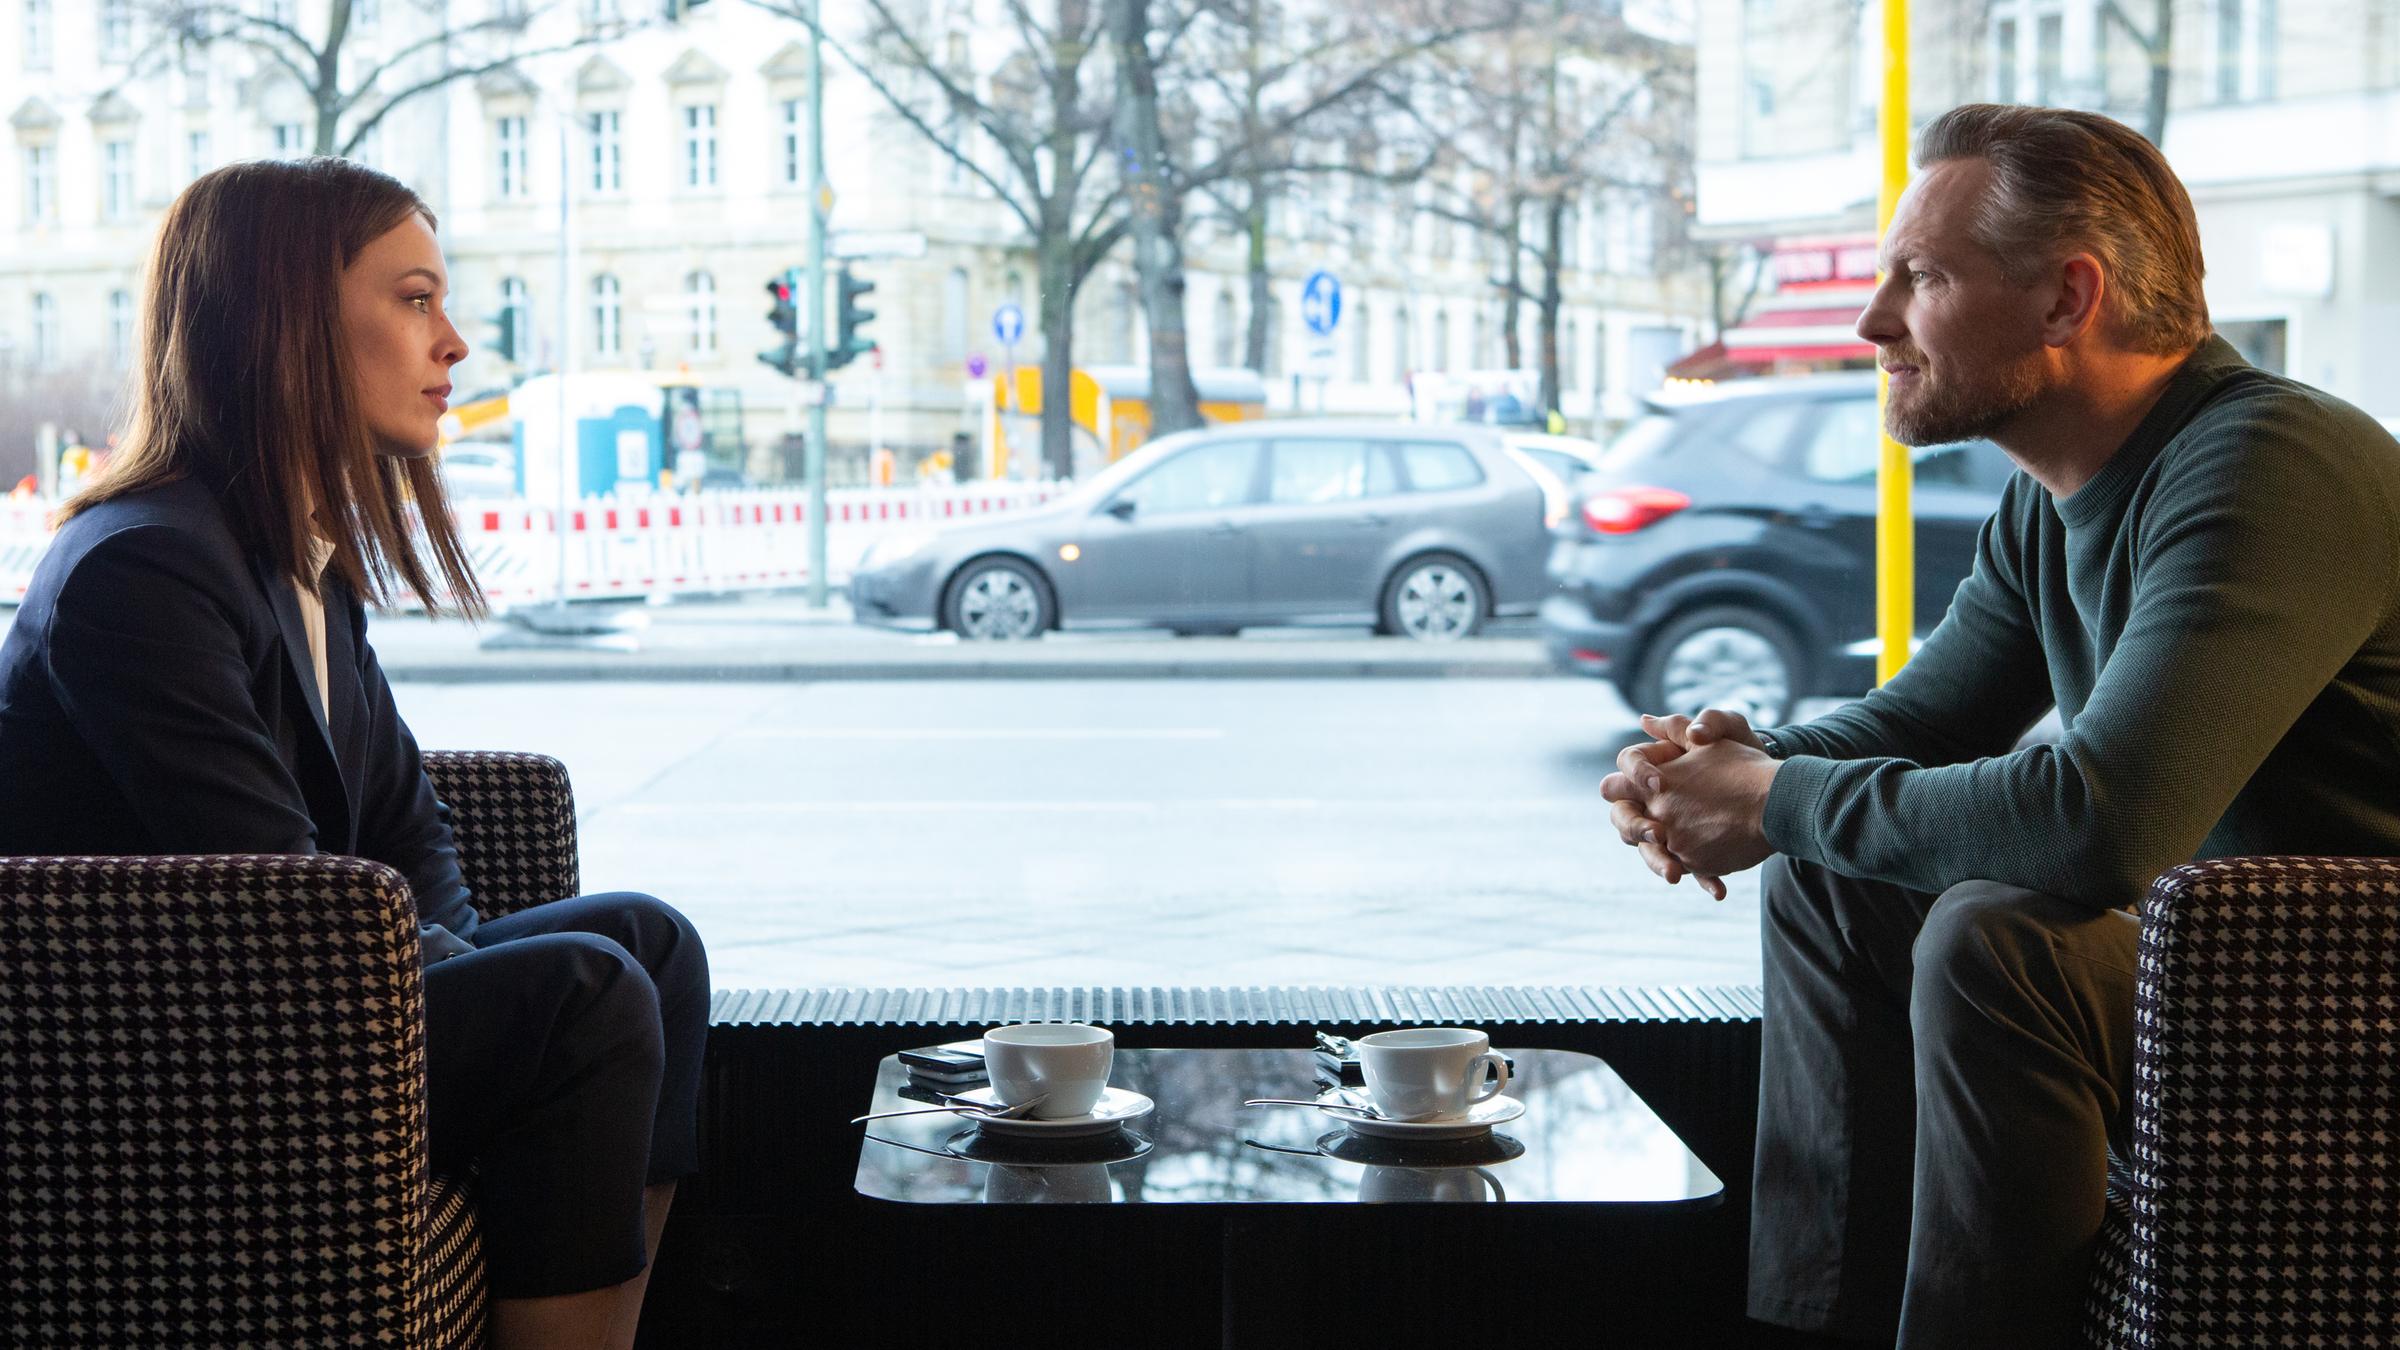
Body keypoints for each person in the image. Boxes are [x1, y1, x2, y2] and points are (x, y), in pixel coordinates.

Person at [1599, 104, 2400, 1347]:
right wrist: (1716, 770)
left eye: (1917, 279)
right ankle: (1819, 1328)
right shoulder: (2053, 501)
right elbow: (1916, 724)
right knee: (1830, 879)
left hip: (2345, 992)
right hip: (2220, 972)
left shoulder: (2273, 463)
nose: (1872, 323)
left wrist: (1766, 798)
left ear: (2066, 299)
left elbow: (2101, 822)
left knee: (2000, 936)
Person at [0, 158, 709, 1350]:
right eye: (418, 300)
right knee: (586, 998)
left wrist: (446, 953)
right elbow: (270, 889)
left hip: (304, 992)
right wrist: (455, 980)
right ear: (290, 326)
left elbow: (402, 823)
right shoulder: (142, 570)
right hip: (162, 1053)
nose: (457, 345)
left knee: (649, 943)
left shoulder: (298, 554)